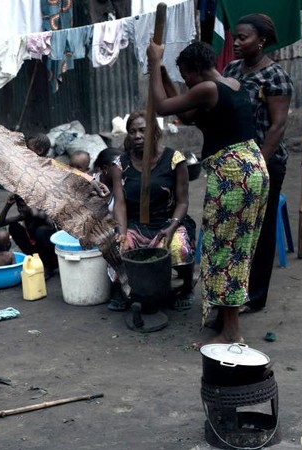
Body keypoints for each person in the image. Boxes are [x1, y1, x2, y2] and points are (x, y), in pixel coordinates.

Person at [148, 40, 269, 345]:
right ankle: (225, 320)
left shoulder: (209, 88)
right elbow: (187, 116)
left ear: (198, 70)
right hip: (252, 168)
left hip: (233, 175)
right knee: (236, 247)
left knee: (224, 249)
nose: (186, 83)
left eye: (186, 76)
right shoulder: (231, 85)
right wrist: (164, 74)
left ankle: (231, 333)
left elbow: (163, 108)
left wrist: (152, 63)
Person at [222, 14, 294, 314]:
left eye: (243, 38)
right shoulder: (232, 69)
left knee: (260, 232)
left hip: (265, 163)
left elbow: (277, 127)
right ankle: (231, 289)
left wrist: (258, 165)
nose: (236, 43)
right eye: (235, 37)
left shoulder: (275, 77)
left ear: (261, 41)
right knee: (233, 228)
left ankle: (255, 296)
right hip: (233, 163)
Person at [109, 111, 195, 312]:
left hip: (166, 223)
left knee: (179, 248)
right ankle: (121, 288)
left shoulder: (174, 159)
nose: (137, 136)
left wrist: (173, 226)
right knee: (116, 247)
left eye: (142, 130)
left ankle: (185, 286)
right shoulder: (120, 164)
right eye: (132, 132)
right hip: (134, 224)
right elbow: (120, 203)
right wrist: (121, 232)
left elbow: (183, 201)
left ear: (154, 132)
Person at [0, 194, 59, 280]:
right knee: (13, 227)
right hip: (36, 250)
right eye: (18, 206)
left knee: (41, 231)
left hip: (51, 254)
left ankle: (48, 267)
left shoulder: (42, 214)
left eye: (22, 206)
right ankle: (34, 260)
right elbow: (0, 223)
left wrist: (32, 205)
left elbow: (37, 214)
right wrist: (7, 205)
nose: (19, 209)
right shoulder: (24, 215)